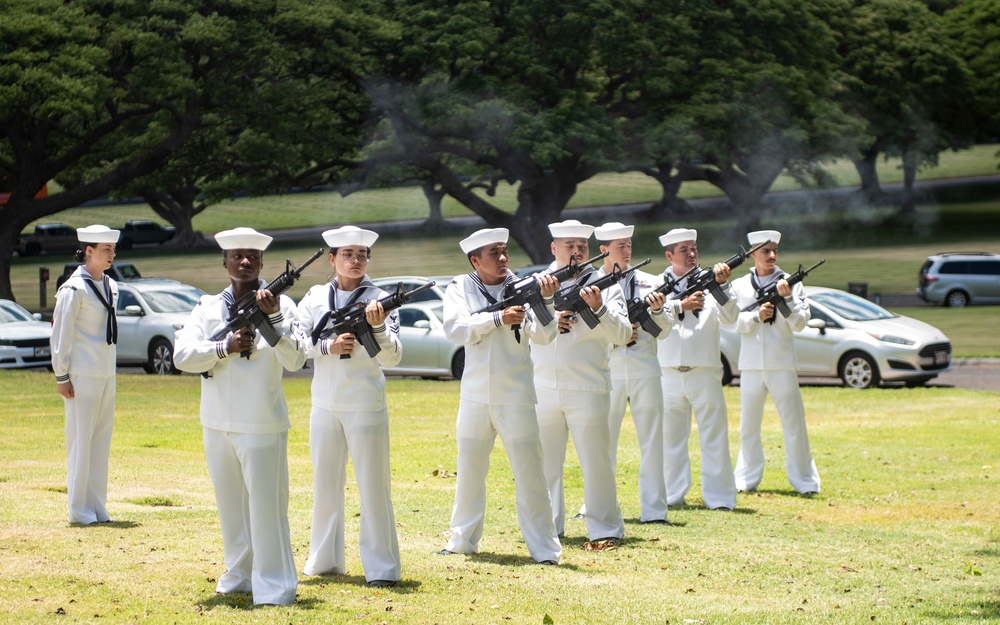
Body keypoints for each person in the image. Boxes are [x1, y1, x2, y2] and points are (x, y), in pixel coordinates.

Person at [173, 227, 306, 606]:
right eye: (237, 256)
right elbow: (183, 356)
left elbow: (296, 359)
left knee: (267, 509)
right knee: (231, 508)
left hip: (262, 422)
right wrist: (223, 347)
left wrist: (275, 319)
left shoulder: (286, 307)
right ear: (226, 262)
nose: (244, 262)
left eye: (252, 256)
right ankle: (239, 575)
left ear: (262, 263)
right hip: (216, 421)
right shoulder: (206, 308)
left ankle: (275, 585)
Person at [436, 227, 562, 564]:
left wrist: (546, 300)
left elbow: (544, 335)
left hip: (516, 394)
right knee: (470, 470)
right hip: (475, 394)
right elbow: (454, 328)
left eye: (505, 251)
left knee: (531, 473)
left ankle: (545, 549)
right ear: (475, 260)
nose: (504, 258)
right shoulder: (461, 287)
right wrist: (496, 318)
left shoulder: (522, 286)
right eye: (494, 253)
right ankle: (461, 540)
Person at [295, 226, 402, 588]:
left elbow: (394, 356)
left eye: (361, 255)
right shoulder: (314, 296)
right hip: (324, 403)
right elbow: (295, 345)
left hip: (364, 403)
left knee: (374, 486)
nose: (355, 261)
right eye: (347, 254)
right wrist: (327, 347)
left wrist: (381, 327)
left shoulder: (381, 298)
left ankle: (382, 568)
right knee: (325, 484)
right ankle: (324, 560)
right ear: (332, 259)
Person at [531, 219, 631, 542]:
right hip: (544, 386)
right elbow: (524, 325)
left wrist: (599, 308)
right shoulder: (537, 283)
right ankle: (549, 527)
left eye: (582, 246)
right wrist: (550, 317)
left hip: (588, 386)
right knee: (546, 464)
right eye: (569, 246)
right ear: (553, 249)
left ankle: (605, 529)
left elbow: (624, 333)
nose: (576, 252)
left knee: (596, 463)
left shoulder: (606, 284)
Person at [582, 222, 671, 523]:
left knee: (652, 440)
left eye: (629, 243)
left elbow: (667, 329)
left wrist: (657, 312)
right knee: (601, 443)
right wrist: (617, 335)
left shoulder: (651, 280)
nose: (628, 249)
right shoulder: (592, 284)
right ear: (603, 249)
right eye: (621, 245)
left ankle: (654, 509)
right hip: (608, 369)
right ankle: (595, 505)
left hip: (645, 367)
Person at [729, 230, 821, 495]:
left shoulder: (791, 283)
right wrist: (756, 316)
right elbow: (731, 322)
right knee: (749, 425)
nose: (771, 255)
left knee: (794, 424)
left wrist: (788, 300)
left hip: (781, 363)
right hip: (751, 364)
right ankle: (745, 479)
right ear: (753, 253)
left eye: (775, 251)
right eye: (765, 251)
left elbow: (800, 323)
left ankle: (805, 481)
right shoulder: (740, 286)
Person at [657, 228, 739, 511]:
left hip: (704, 369)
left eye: (694, 248)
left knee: (714, 436)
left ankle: (720, 498)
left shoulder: (710, 282)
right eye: (683, 250)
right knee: (671, 438)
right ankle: (671, 495)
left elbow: (731, 318)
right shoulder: (656, 286)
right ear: (669, 255)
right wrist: (679, 304)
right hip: (667, 371)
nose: (691, 254)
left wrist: (722, 285)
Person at [50, 225, 121, 525]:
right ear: (88, 251)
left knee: (100, 442)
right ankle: (79, 509)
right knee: (80, 442)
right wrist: (62, 375)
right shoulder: (73, 289)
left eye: (113, 250)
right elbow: (61, 333)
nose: (112, 255)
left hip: (105, 372)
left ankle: (96, 506)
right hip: (81, 373)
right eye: (106, 250)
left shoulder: (111, 285)